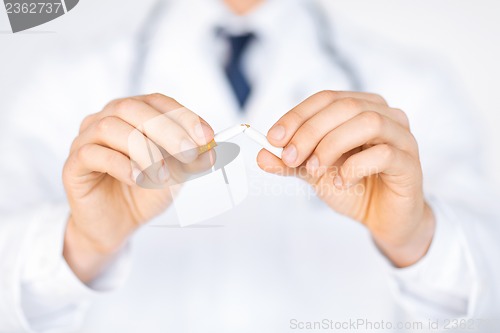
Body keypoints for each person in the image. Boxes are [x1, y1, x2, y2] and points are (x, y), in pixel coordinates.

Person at [0, 0, 499, 331]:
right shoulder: (67, 80)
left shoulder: (412, 84)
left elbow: (486, 292)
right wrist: (82, 244)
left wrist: (415, 238)